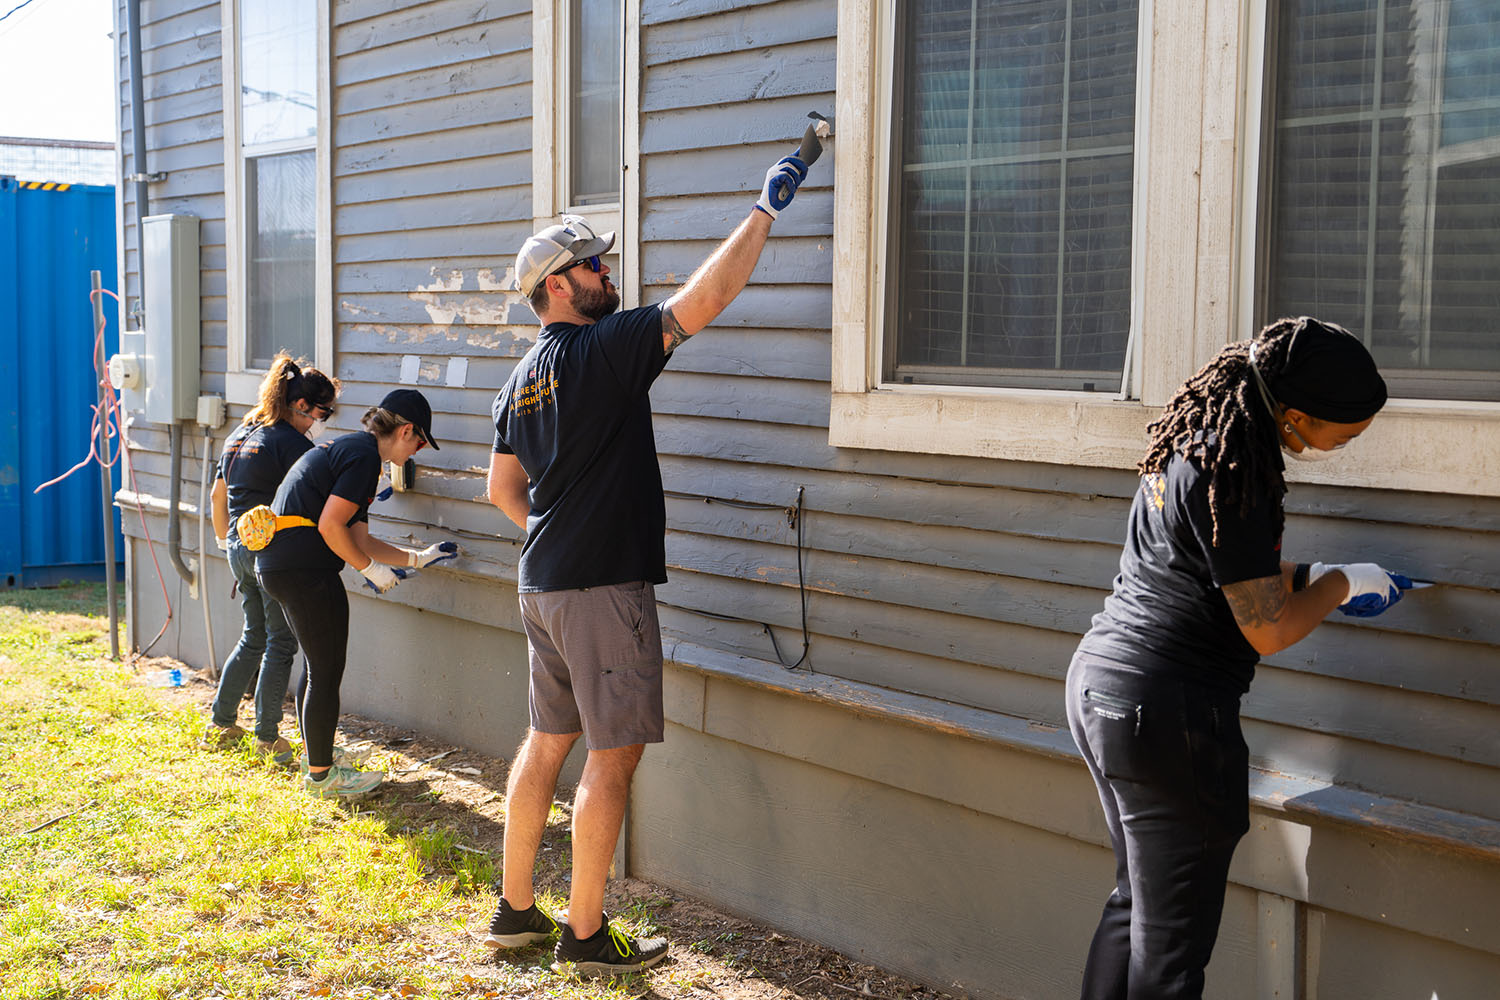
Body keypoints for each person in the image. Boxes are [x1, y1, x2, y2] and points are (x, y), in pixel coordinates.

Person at [483, 145, 814, 973]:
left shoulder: (517, 380)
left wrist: (551, 530)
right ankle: (586, 938)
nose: (605, 272)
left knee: (547, 741)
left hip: (544, 584)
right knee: (611, 754)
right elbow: (709, 297)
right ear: (558, 285)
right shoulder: (605, 350)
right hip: (599, 589)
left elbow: (501, 490)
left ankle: (514, 915)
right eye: (592, 264)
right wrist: (765, 211)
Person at [1065, 316, 1411, 999]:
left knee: (1135, 907)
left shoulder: (1200, 438)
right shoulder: (1239, 477)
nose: (1342, 448)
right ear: (1296, 416)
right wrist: (1342, 583)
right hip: (1171, 715)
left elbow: (1221, 573)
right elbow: (1268, 629)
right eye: (1341, 437)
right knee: (1172, 957)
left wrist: (1318, 575)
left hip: (1105, 683)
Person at [255, 388, 457, 801]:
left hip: (282, 564)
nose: (418, 451)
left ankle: (319, 757)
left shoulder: (353, 450)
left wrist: (415, 559)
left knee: (317, 666)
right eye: (420, 442)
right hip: (303, 568)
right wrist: (371, 571)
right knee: (327, 670)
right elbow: (332, 527)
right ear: (406, 430)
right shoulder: (364, 457)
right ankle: (322, 777)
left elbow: (357, 536)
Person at [206, 354, 340, 763]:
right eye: (322, 412)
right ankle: (267, 737)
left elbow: (217, 496)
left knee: (253, 636)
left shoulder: (241, 433)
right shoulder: (293, 443)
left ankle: (221, 723)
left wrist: (230, 543)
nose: (319, 422)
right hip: (270, 551)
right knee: (281, 642)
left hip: (235, 544)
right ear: (300, 405)